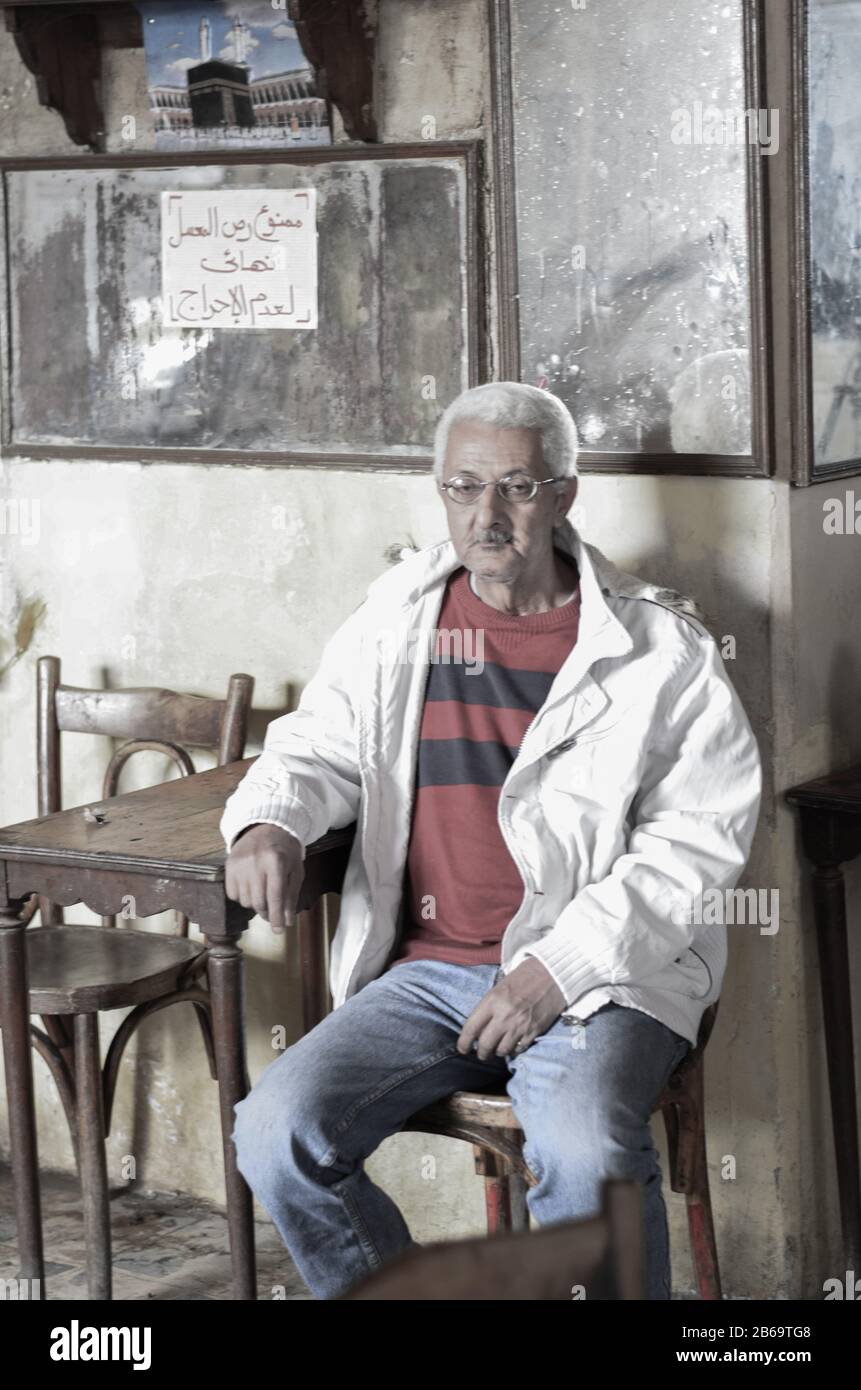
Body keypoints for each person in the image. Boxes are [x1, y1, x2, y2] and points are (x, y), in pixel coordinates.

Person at [220, 381, 762, 1300]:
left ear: (563, 494)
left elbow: (695, 846)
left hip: (600, 980)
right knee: (274, 1133)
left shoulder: (659, 646)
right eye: (463, 488)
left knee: (585, 1156)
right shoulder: (397, 618)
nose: (487, 514)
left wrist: (557, 969)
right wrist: (272, 817)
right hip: (429, 973)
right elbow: (320, 745)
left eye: (514, 486)